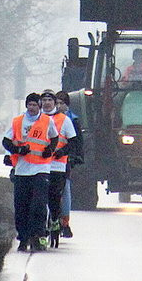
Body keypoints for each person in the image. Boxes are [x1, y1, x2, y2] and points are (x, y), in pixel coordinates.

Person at [2, 93, 59, 252]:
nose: (32, 108)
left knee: (39, 205)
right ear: (26, 106)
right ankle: (23, 237)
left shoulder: (47, 121)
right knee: (21, 206)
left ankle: (38, 235)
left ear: (39, 106)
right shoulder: (18, 121)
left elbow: (54, 138)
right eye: (30, 105)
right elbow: (6, 141)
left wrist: (50, 150)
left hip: (41, 168)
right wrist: (17, 150)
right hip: (22, 169)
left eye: (35, 105)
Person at [41, 89, 78, 244]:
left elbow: (74, 142)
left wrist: (63, 152)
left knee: (56, 198)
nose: (47, 103)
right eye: (44, 100)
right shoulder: (35, 119)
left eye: (50, 100)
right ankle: (41, 230)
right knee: (39, 200)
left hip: (58, 166)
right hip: (39, 167)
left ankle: (58, 221)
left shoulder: (66, 120)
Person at [56, 90, 82, 238]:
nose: (59, 106)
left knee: (65, 190)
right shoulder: (47, 119)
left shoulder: (72, 120)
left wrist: (75, 156)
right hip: (48, 162)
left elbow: (77, 142)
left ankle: (65, 222)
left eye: (62, 103)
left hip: (64, 161)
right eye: (57, 103)